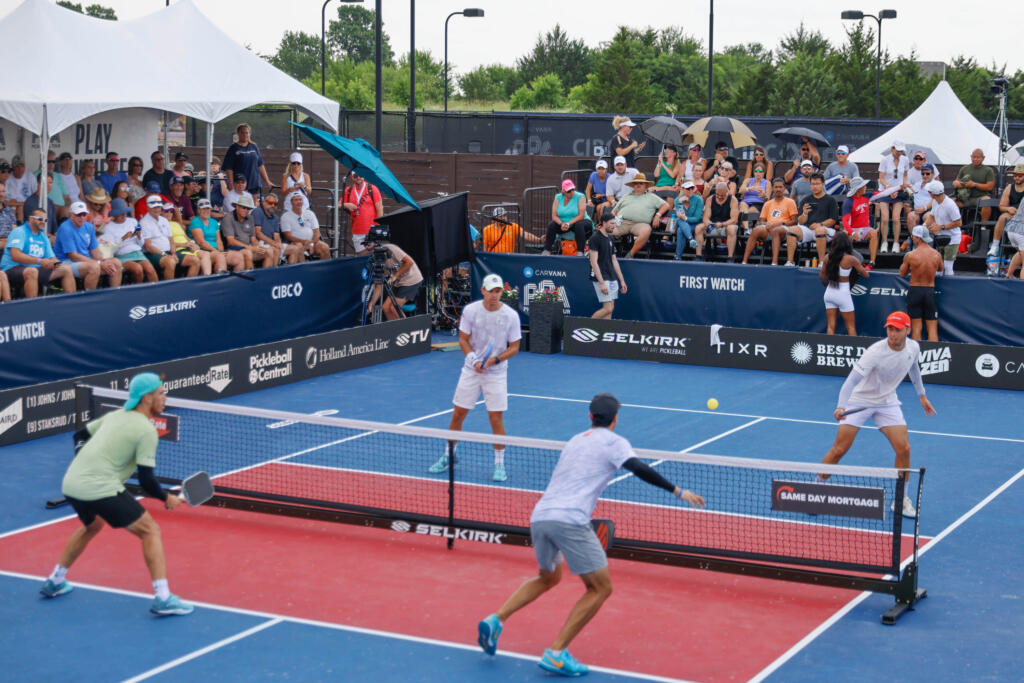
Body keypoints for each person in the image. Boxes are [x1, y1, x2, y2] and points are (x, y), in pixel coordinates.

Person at [477, 393, 704, 676]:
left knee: (548, 577)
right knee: (600, 588)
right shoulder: (615, 443)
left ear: (590, 417)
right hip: (570, 521)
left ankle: (496, 619)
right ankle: (557, 653)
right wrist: (678, 491)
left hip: (541, 517)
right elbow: (638, 468)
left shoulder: (575, 440)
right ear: (616, 419)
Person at [39, 373, 194, 616]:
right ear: (146, 398)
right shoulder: (146, 431)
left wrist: (86, 463)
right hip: (100, 487)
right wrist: (167, 498)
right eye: (161, 393)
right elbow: (146, 481)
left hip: (72, 484)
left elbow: (79, 436)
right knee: (150, 530)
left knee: (92, 525)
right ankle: (163, 598)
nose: (165, 397)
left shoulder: (115, 416)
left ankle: (55, 581)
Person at [819, 311, 936, 518]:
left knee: (904, 448)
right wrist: (840, 406)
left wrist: (922, 396)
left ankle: (901, 500)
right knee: (839, 449)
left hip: (887, 402)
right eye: (890, 329)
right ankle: (816, 492)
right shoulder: (875, 352)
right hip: (859, 400)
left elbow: (914, 369)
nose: (893, 333)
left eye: (897, 330)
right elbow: (850, 382)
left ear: (907, 330)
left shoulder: (914, 347)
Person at [429, 273, 521, 483]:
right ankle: (449, 455)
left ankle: (499, 464)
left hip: (496, 372)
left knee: (495, 418)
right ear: (483, 291)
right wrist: (473, 360)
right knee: (458, 414)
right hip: (471, 371)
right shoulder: (471, 311)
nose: (494, 295)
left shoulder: (511, 316)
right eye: (491, 291)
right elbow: (463, 340)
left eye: (498, 291)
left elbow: (515, 347)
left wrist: (494, 360)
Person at [1, 208, 76, 297]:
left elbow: (52, 257)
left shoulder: (43, 237)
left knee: (66, 269)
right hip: (12, 268)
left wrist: (55, 263)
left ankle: (72, 302)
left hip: (35, 268)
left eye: (45, 220)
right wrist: (40, 261)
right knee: (32, 271)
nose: (43, 222)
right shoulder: (19, 231)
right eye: (40, 219)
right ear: (31, 219)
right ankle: (32, 307)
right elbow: (15, 255)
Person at [54, 201, 122, 290]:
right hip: (66, 261)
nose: (82, 217)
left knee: (116, 262)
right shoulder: (65, 228)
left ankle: (115, 295)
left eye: (84, 214)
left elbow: (94, 250)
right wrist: (99, 263)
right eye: (78, 214)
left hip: (84, 259)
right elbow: (73, 256)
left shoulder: (89, 227)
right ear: (71, 215)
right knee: (94, 267)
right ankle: (90, 299)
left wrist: (103, 261)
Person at [363, 226, 424, 321]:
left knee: (394, 308)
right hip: (399, 282)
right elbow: (379, 285)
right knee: (386, 307)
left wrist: (395, 276)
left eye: (368, 243)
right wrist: (371, 303)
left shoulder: (390, 248)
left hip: (411, 280)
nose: (366, 247)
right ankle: (394, 331)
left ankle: (407, 331)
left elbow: (409, 262)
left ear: (375, 242)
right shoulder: (376, 258)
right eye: (364, 244)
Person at [820, 231, 870, 335]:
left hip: (829, 292)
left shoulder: (827, 257)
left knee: (830, 326)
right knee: (851, 327)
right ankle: (853, 350)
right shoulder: (851, 259)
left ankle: (828, 349)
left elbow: (821, 276)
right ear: (848, 244)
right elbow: (866, 275)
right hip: (842, 293)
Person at [610, 173, 671, 259]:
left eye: (641, 183)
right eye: (636, 183)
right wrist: (610, 221)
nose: (638, 185)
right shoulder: (626, 196)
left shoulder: (651, 197)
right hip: (622, 223)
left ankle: (630, 254)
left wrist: (658, 215)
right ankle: (604, 254)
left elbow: (666, 205)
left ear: (645, 185)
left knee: (646, 230)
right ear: (633, 185)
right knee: (604, 230)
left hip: (640, 224)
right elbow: (614, 211)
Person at [900, 225, 944, 342]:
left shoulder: (910, 255)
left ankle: (916, 358)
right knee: (933, 330)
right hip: (929, 290)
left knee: (916, 329)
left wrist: (912, 267)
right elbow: (940, 269)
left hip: (915, 291)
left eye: (913, 237)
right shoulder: (937, 255)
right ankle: (933, 359)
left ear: (918, 238)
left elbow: (902, 274)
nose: (913, 239)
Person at [102, 198, 158, 284]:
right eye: (121, 213)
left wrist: (139, 236)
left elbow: (141, 244)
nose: (124, 215)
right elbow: (111, 251)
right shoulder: (108, 227)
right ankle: (137, 293)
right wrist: (122, 238)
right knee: (137, 269)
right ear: (114, 214)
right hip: (122, 255)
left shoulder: (133, 221)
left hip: (137, 252)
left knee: (150, 270)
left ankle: (157, 292)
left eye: (125, 212)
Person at [787, 172, 839, 265]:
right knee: (792, 230)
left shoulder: (831, 200)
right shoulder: (805, 200)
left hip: (825, 229)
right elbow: (800, 221)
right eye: (812, 184)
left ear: (823, 184)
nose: (815, 186)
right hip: (808, 228)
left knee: (819, 231)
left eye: (817, 184)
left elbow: (833, 220)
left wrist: (820, 225)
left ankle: (821, 262)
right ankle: (790, 261)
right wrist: (804, 214)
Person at [742, 178, 797, 265]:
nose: (778, 189)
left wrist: (779, 223)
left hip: (784, 228)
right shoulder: (767, 203)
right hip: (769, 228)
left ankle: (774, 262)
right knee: (756, 230)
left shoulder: (790, 202)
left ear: (784, 188)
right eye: (776, 187)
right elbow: (762, 220)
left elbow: (794, 221)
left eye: (780, 187)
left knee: (776, 230)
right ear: (772, 189)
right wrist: (765, 224)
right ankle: (744, 261)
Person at [589, 209, 627, 319]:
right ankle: (586, 327)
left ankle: (604, 333)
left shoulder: (610, 238)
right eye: (611, 223)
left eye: (614, 223)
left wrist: (622, 280)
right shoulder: (595, 238)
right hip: (601, 277)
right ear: (604, 223)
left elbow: (614, 260)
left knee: (610, 310)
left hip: (611, 276)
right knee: (608, 308)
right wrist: (601, 283)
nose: (614, 226)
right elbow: (593, 262)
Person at [140, 194, 189, 280]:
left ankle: (188, 288)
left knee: (194, 260)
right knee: (170, 262)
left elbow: (171, 240)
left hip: (168, 252)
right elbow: (148, 246)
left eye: (158, 207)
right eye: (154, 207)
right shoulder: (144, 222)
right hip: (153, 254)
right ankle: (169, 290)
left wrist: (173, 253)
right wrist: (164, 254)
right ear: (148, 208)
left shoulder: (164, 220)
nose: (156, 209)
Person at [922, 180, 962, 276]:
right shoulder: (935, 201)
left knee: (948, 268)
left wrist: (941, 227)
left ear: (932, 194)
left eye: (929, 192)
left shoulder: (950, 205)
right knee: (939, 268)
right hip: (940, 238)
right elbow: (932, 216)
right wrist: (923, 227)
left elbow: (959, 223)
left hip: (952, 239)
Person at [190, 198, 243, 272]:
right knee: (220, 256)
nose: (206, 211)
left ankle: (236, 282)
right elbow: (201, 242)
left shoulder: (214, 222)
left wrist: (220, 251)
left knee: (239, 256)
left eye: (208, 208)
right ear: (198, 210)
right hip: (203, 251)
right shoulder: (195, 221)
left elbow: (219, 240)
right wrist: (217, 252)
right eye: (203, 209)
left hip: (216, 251)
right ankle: (220, 282)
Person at [223, 123, 275, 198]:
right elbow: (228, 168)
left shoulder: (254, 146)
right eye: (242, 133)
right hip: (240, 184)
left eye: (246, 133)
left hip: (254, 182)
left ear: (249, 134)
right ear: (238, 134)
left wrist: (268, 181)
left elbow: (260, 165)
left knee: (253, 205)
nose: (245, 135)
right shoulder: (233, 148)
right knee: (241, 205)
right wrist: (231, 183)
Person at [876, 141, 909, 253]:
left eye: (901, 150)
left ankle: (896, 242)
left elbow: (905, 175)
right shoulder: (885, 160)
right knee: (884, 218)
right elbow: (881, 178)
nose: (900, 152)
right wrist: (889, 188)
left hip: (898, 190)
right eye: (898, 150)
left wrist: (903, 186)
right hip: (885, 190)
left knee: (896, 218)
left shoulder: (905, 159)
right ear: (892, 149)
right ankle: (884, 242)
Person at [694, 181, 739, 262]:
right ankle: (698, 256)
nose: (719, 197)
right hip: (713, 225)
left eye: (722, 195)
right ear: (715, 191)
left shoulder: (733, 200)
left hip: (726, 226)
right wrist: (708, 223)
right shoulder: (710, 199)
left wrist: (722, 224)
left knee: (732, 229)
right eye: (718, 195)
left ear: (727, 192)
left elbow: (734, 219)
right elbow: (705, 217)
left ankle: (730, 257)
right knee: (698, 228)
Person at [543, 179, 590, 255]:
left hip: (581, 222)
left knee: (579, 224)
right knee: (552, 225)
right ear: (563, 191)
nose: (572, 192)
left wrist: (568, 224)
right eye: (569, 191)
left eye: (573, 189)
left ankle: (580, 252)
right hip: (564, 224)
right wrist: (562, 224)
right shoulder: (558, 197)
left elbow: (581, 216)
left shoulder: (580, 196)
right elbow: (554, 216)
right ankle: (546, 250)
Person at [841, 177, 879, 270]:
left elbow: (882, 193)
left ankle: (872, 263)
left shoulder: (867, 195)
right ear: (858, 189)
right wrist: (853, 233)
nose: (866, 187)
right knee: (844, 234)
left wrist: (898, 188)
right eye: (863, 186)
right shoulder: (848, 202)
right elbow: (845, 222)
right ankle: (846, 260)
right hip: (853, 229)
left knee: (874, 233)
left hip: (865, 228)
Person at [280, 192, 329, 262]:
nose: (299, 202)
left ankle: (324, 271)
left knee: (325, 247)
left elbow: (316, 232)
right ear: (291, 202)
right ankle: (304, 271)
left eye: (300, 200)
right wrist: (304, 242)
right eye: (296, 200)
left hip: (312, 242)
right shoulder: (285, 216)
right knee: (299, 246)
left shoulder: (310, 213)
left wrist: (311, 244)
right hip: (296, 242)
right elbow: (288, 236)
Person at [342, 171, 383, 253]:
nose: (358, 177)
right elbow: (338, 204)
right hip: (357, 231)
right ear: (352, 177)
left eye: (361, 175)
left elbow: (380, 209)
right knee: (362, 260)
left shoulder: (372, 188)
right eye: (356, 175)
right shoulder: (348, 190)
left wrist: (377, 231)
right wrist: (347, 204)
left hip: (371, 231)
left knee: (372, 259)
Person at [989, 163, 1024, 257]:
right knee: (1002, 218)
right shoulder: (1009, 188)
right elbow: (1001, 206)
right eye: (1015, 175)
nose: (1017, 177)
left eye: (1020, 175)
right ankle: (995, 246)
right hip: (1014, 215)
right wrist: (1008, 208)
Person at [953, 148, 995, 223]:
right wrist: (957, 183)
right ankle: (956, 225)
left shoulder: (988, 170)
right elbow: (957, 182)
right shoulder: (964, 168)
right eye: (973, 157)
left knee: (987, 201)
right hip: (965, 198)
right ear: (971, 157)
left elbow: (990, 186)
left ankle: (983, 226)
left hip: (980, 197)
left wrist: (974, 185)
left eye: (978, 157)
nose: (975, 159)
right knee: (950, 203)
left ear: (983, 158)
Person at [673, 180, 704, 260]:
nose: (690, 190)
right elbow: (680, 214)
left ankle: (678, 257)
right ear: (682, 189)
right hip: (683, 223)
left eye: (692, 188)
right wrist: (680, 203)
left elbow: (697, 218)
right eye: (688, 188)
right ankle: (691, 239)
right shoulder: (678, 200)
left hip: (695, 224)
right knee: (680, 221)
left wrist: (686, 218)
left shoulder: (699, 199)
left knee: (680, 229)